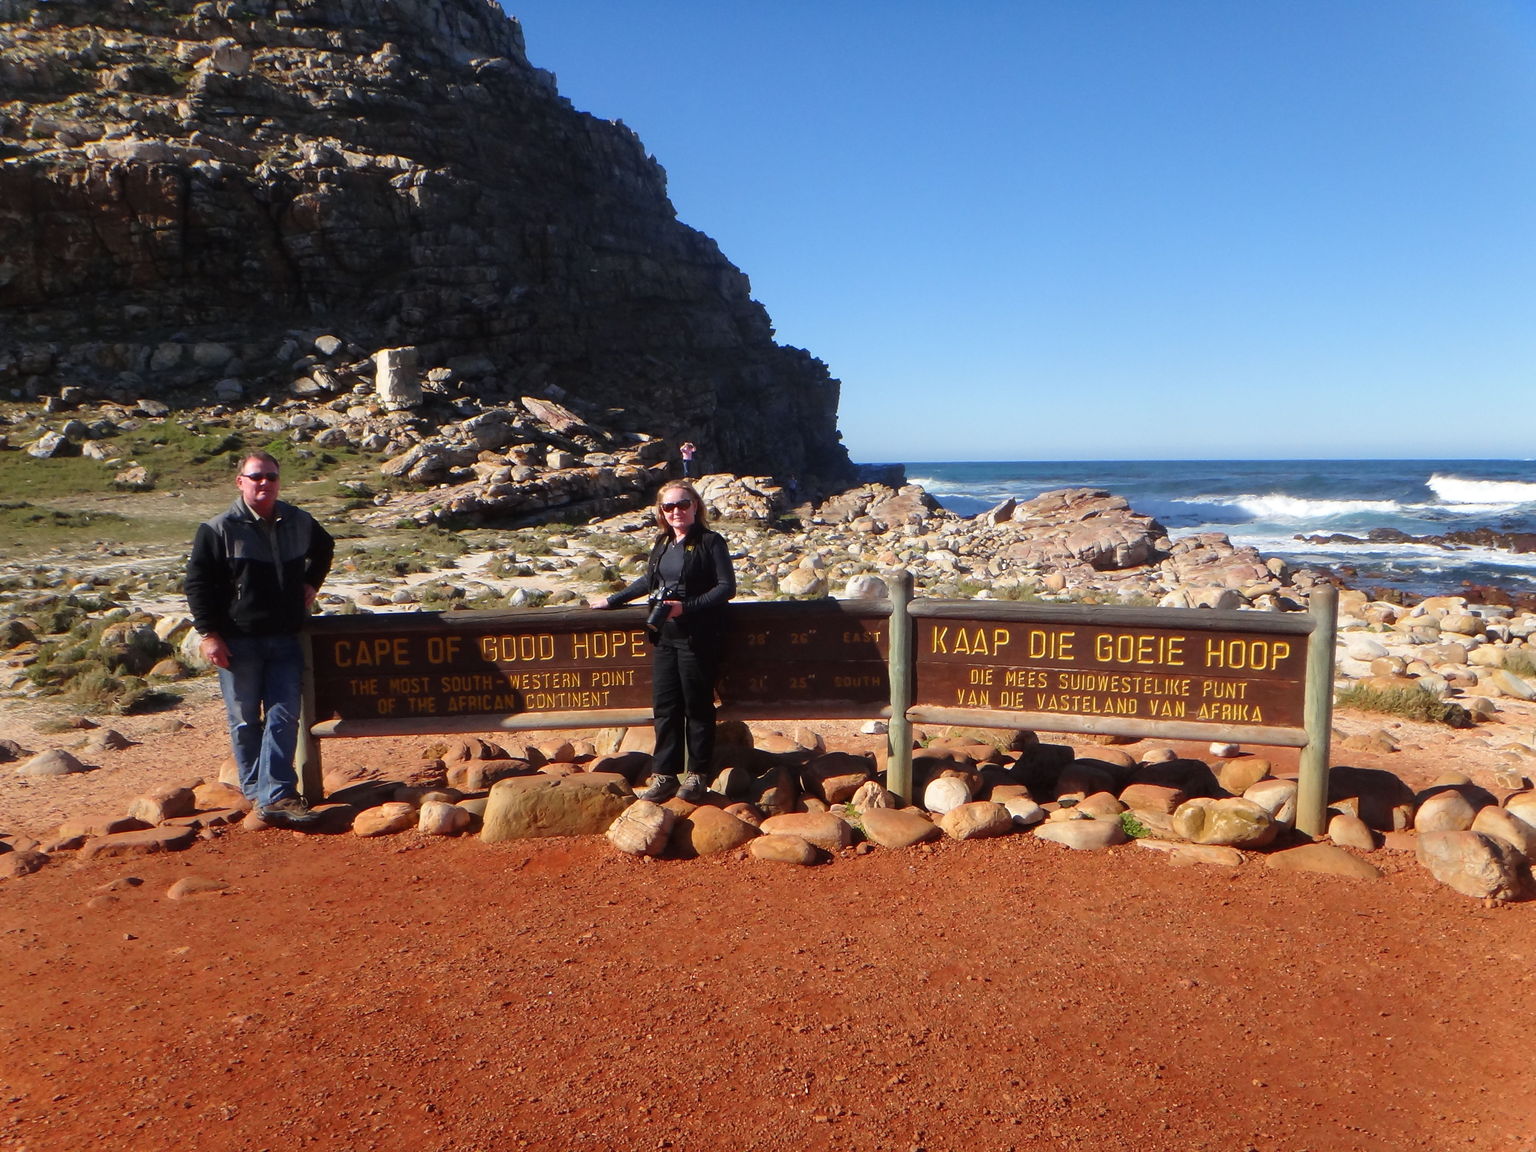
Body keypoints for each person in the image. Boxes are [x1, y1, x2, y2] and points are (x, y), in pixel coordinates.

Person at [185, 451, 335, 826]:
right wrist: (209, 634)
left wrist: (311, 583)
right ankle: (257, 791)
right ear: (240, 482)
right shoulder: (219, 529)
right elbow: (197, 584)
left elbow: (325, 547)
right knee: (245, 721)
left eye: (271, 476)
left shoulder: (298, 521)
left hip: (285, 637)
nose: (264, 483)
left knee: (285, 715)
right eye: (256, 477)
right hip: (238, 640)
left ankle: (278, 793)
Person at [589, 481, 735, 803]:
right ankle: (664, 775)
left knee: (697, 707)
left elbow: (726, 588)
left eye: (682, 504)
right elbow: (648, 581)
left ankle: (697, 775)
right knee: (666, 707)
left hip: (698, 637)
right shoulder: (663, 542)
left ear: (695, 505)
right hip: (664, 637)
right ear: (661, 511)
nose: (675, 512)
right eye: (668, 507)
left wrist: (687, 607)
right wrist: (613, 600)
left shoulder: (711, 542)